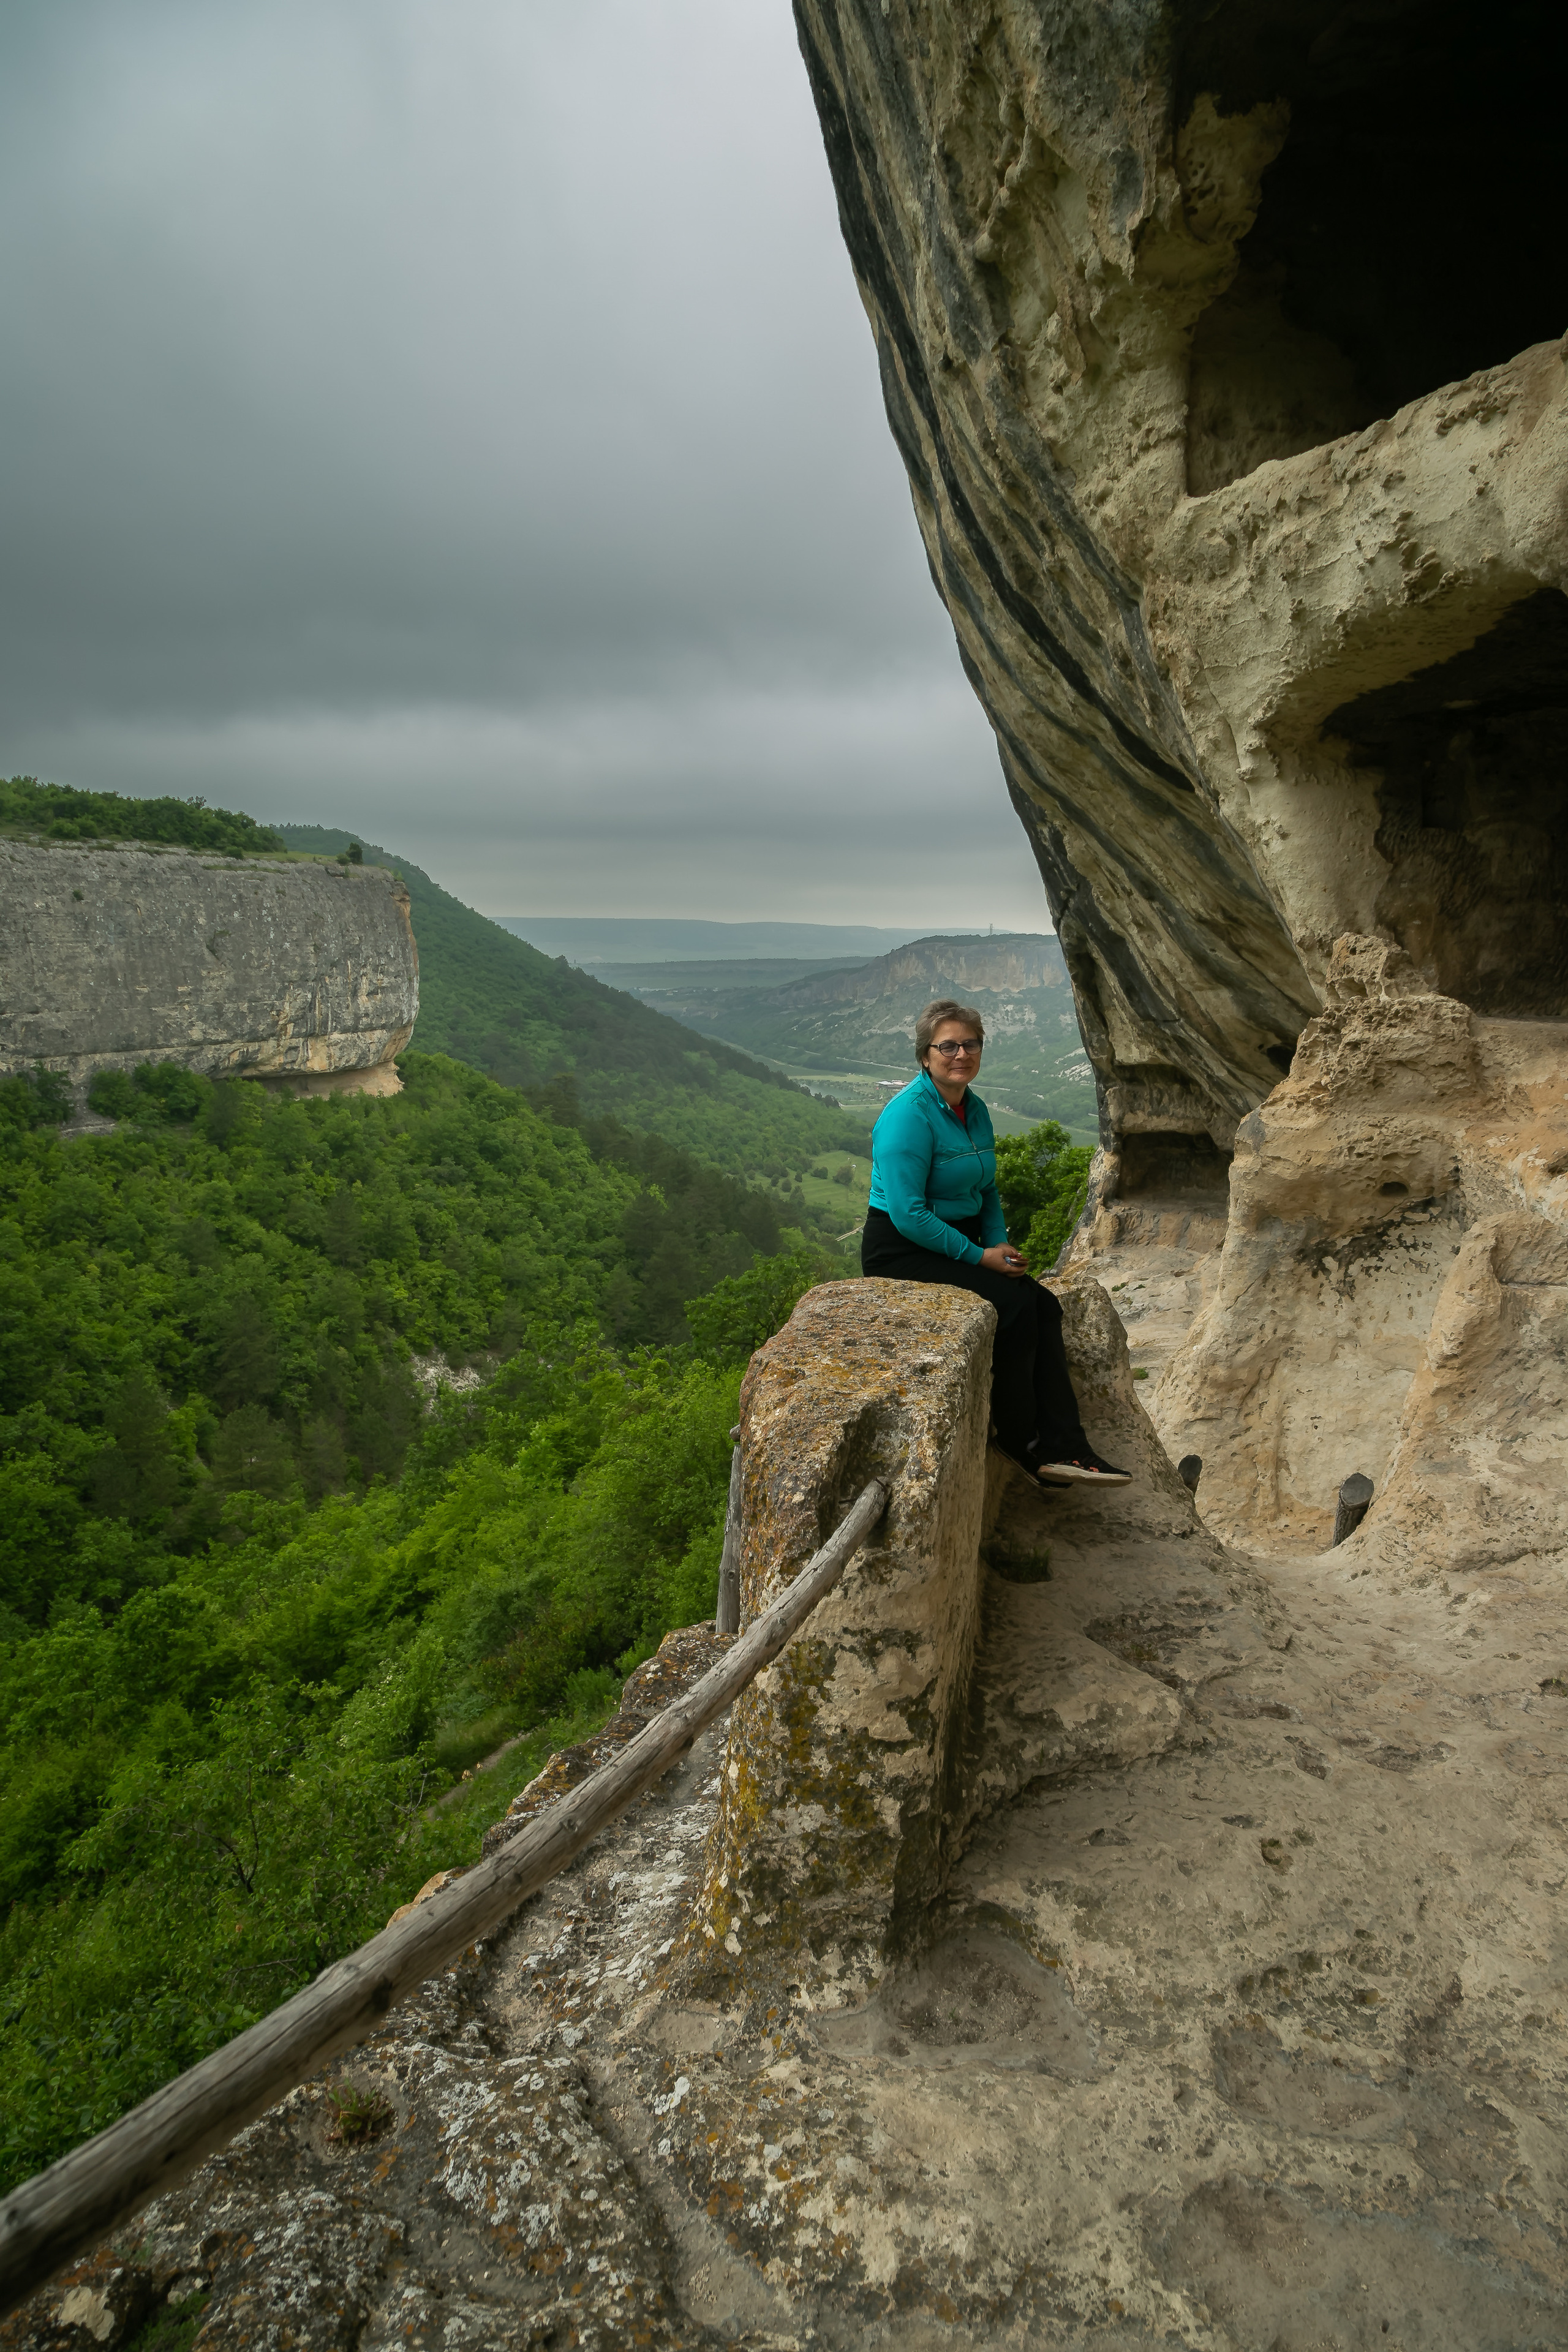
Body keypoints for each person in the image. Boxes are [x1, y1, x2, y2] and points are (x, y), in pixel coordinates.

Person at [861, 998, 1130, 1488]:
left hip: (956, 1240)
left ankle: (1067, 1445)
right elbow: (908, 1215)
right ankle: (1022, 1441)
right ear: (925, 1055)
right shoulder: (908, 1117)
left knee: (1044, 1304)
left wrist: (999, 1243)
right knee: (1013, 1306)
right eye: (948, 1046)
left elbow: (985, 1189)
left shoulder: (975, 1109)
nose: (961, 1054)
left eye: (971, 1044)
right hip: (902, 1249)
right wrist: (979, 1256)